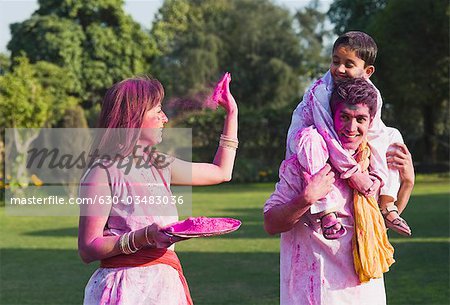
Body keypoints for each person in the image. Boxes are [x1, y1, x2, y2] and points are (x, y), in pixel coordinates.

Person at [78, 73, 238, 305]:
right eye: (157, 111)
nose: (164, 118)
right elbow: (88, 248)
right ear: (133, 118)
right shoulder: (101, 172)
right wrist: (143, 237)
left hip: (164, 287)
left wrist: (232, 114)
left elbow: (222, 172)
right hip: (124, 290)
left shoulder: (160, 164)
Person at [264, 78, 415, 305]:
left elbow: (379, 224)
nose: (351, 128)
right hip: (313, 295)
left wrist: (407, 184)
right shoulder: (305, 164)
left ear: (371, 121)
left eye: (360, 119)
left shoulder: (372, 164)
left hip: (366, 292)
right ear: (331, 119)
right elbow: (271, 223)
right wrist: (306, 199)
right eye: (344, 117)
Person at [286, 31, 411, 238]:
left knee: (392, 135)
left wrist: (378, 178)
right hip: (309, 146)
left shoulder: (373, 95)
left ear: (367, 71)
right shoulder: (321, 92)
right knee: (311, 138)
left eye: (349, 64)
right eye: (336, 61)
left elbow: (377, 136)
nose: (340, 69)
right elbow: (327, 135)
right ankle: (327, 212)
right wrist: (354, 174)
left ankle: (388, 205)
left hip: (343, 144)